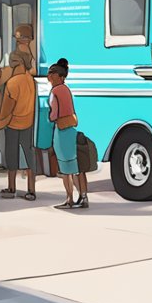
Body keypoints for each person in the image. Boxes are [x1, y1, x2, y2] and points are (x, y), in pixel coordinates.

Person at [0, 51, 37, 201]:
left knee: (11, 155)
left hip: (13, 124)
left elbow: (7, 108)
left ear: (17, 62)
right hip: (29, 123)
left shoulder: (12, 83)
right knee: (29, 155)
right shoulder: (31, 80)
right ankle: (31, 190)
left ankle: (11, 187)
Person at [47, 58, 87, 209]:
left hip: (61, 130)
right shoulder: (67, 90)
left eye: (52, 73)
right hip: (71, 128)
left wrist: (49, 117)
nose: (49, 76)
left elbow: (54, 114)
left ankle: (69, 198)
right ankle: (83, 196)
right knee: (77, 166)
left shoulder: (55, 91)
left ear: (59, 76)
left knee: (65, 169)